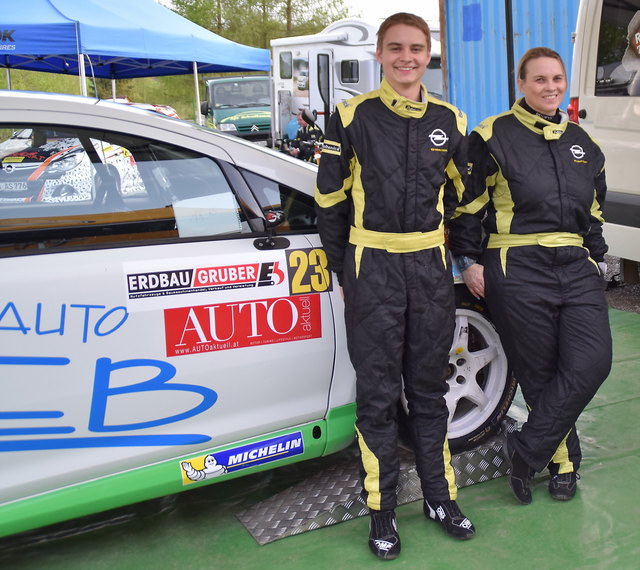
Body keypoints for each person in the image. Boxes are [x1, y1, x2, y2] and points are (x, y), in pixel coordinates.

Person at [315, 12, 475, 561]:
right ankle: (382, 512)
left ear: (429, 53)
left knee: (429, 392)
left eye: (416, 48)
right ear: (380, 55)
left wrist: (459, 255)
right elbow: (331, 203)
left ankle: (440, 497)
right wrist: (345, 274)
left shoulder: (450, 120)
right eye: (396, 48)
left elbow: (463, 199)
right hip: (372, 271)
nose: (407, 57)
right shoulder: (351, 117)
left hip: (429, 272)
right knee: (379, 397)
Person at [448, 47, 612, 506]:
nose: (550, 87)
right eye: (539, 80)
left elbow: (594, 211)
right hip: (516, 265)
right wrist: (470, 261)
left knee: (591, 363)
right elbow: (468, 206)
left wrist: (597, 258)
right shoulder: (491, 135)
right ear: (521, 84)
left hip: (575, 266)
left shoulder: (584, 143)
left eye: (557, 79)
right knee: (540, 375)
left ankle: (525, 450)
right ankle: (563, 463)